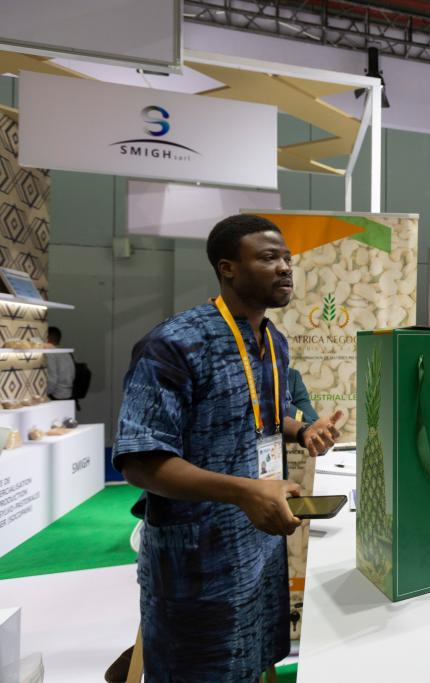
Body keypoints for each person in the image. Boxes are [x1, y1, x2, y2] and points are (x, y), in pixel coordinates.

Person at [113, 214, 342, 682]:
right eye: (269, 257)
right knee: (195, 668)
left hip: (260, 543)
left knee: (252, 660)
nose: (285, 267)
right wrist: (243, 491)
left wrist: (302, 431)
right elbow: (140, 461)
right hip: (197, 556)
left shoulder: (274, 341)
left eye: (287, 258)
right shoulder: (174, 344)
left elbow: (262, 413)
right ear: (228, 268)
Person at [45, 326, 75, 400]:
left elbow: (52, 382)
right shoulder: (67, 353)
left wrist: (42, 394)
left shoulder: (50, 354)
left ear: (47, 338)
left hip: (56, 396)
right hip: (69, 395)